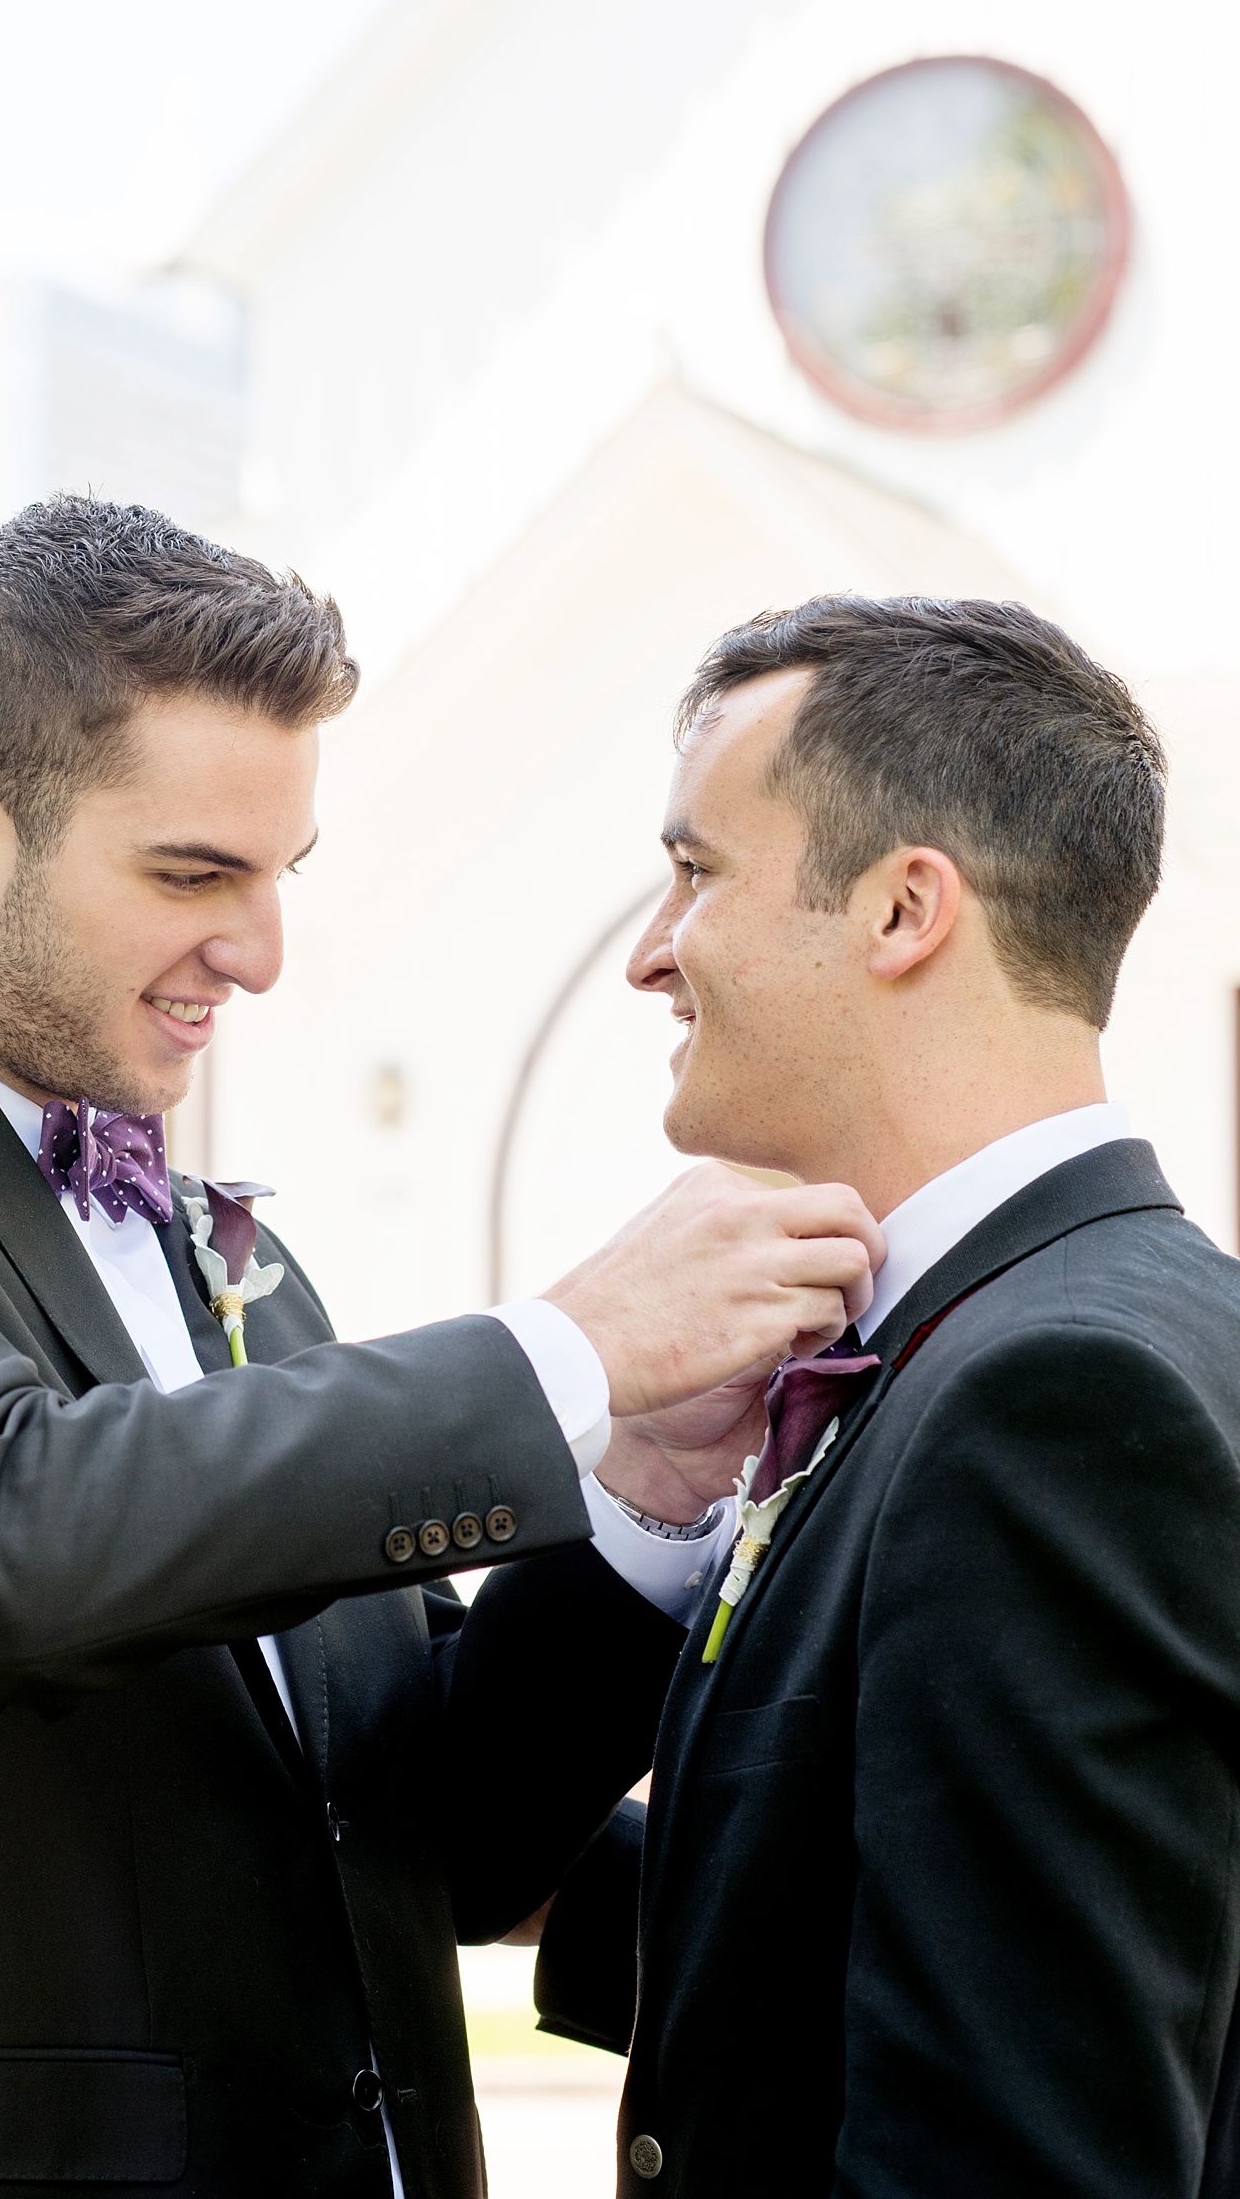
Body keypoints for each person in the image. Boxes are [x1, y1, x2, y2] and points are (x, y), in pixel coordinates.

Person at [0, 501, 881, 2199]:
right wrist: (567, 1351)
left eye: (280, 877)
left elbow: (446, 1832)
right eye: (194, 874)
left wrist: (643, 1489)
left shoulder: (227, 1260)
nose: (259, 954)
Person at [532, 593, 1240, 2199]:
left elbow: (1017, 2142)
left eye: (698, 871)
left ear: (905, 909)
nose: (653, 951)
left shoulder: (1051, 1403)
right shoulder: (1067, 1333)